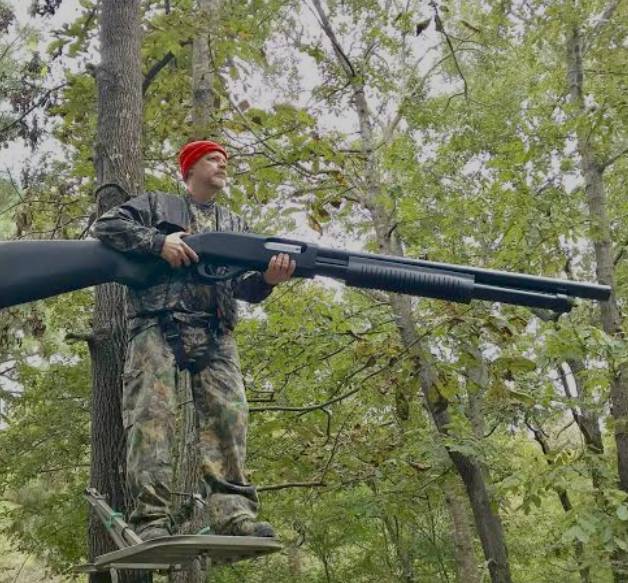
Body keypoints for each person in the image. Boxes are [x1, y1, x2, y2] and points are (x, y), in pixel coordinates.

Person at [92, 140, 295, 540]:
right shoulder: (156, 206)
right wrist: (159, 243)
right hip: (157, 325)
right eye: (212, 159)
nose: (222, 164)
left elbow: (244, 287)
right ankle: (152, 520)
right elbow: (107, 226)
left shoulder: (235, 225)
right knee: (151, 420)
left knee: (229, 419)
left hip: (216, 332)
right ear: (189, 169)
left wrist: (269, 279)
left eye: (224, 160)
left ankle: (234, 516)